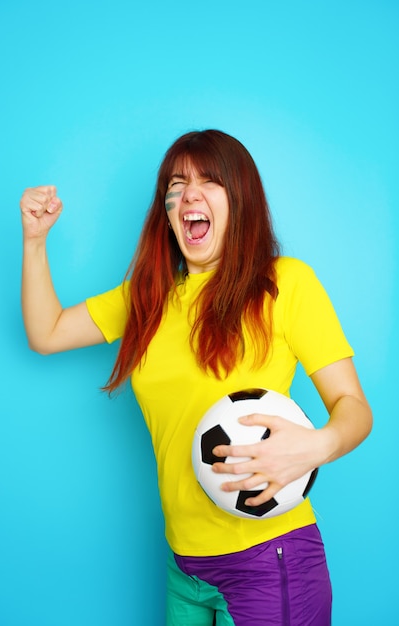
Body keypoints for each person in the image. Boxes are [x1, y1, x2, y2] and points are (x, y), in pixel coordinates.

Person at [20, 129, 372, 626]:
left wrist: (319, 445)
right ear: (167, 211)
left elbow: (354, 408)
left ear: (241, 197)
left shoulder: (285, 284)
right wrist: (35, 242)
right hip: (184, 565)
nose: (188, 194)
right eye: (176, 184)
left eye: (209, 181)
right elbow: (47, 332)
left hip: (268, 559)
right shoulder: (147, 298)